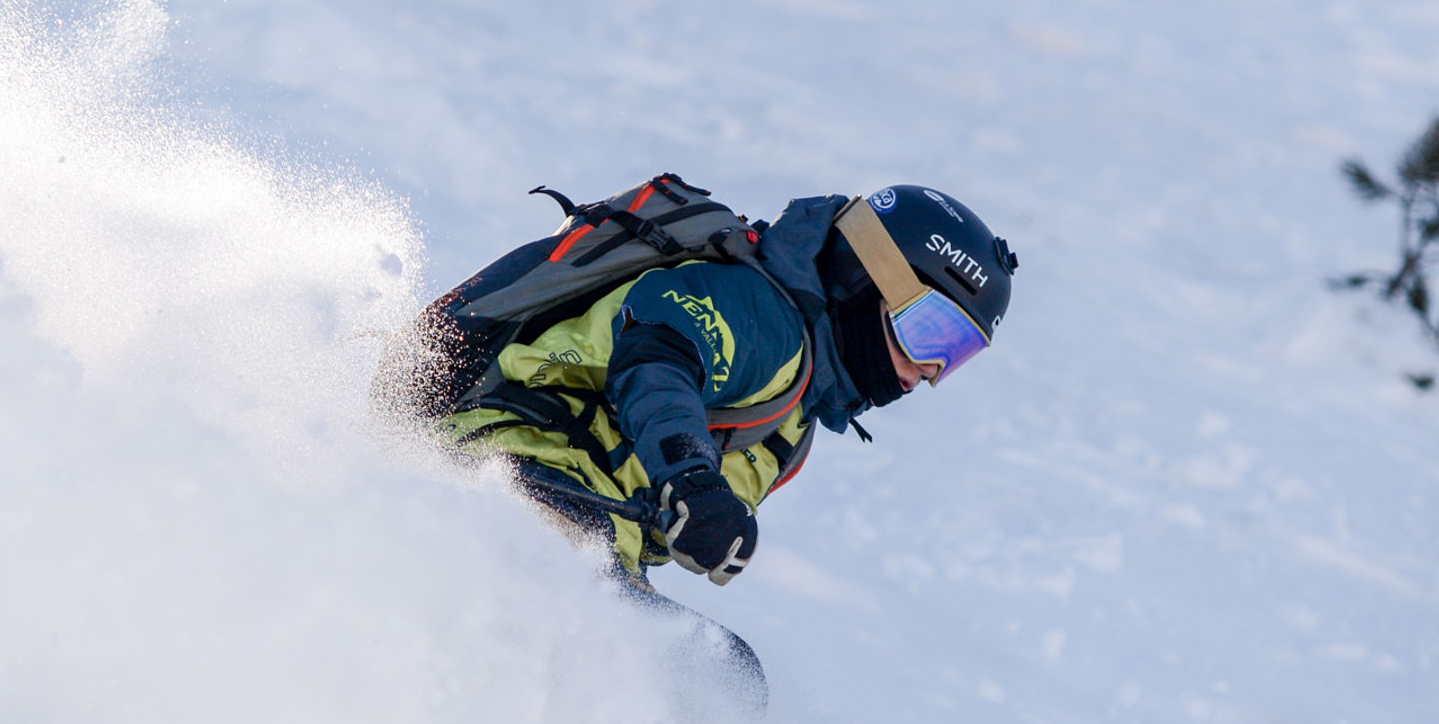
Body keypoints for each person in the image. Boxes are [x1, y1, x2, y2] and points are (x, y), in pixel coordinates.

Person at [379, 182, 1016, 590]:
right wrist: (693, 481)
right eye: (931, 332)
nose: (926, 371)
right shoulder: (764, 318)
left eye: (954, 355)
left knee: (698, 678)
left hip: (568, 516)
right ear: (865, 277)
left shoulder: (796, 412)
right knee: (713, 683)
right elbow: (657, 358)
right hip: (509, 469)